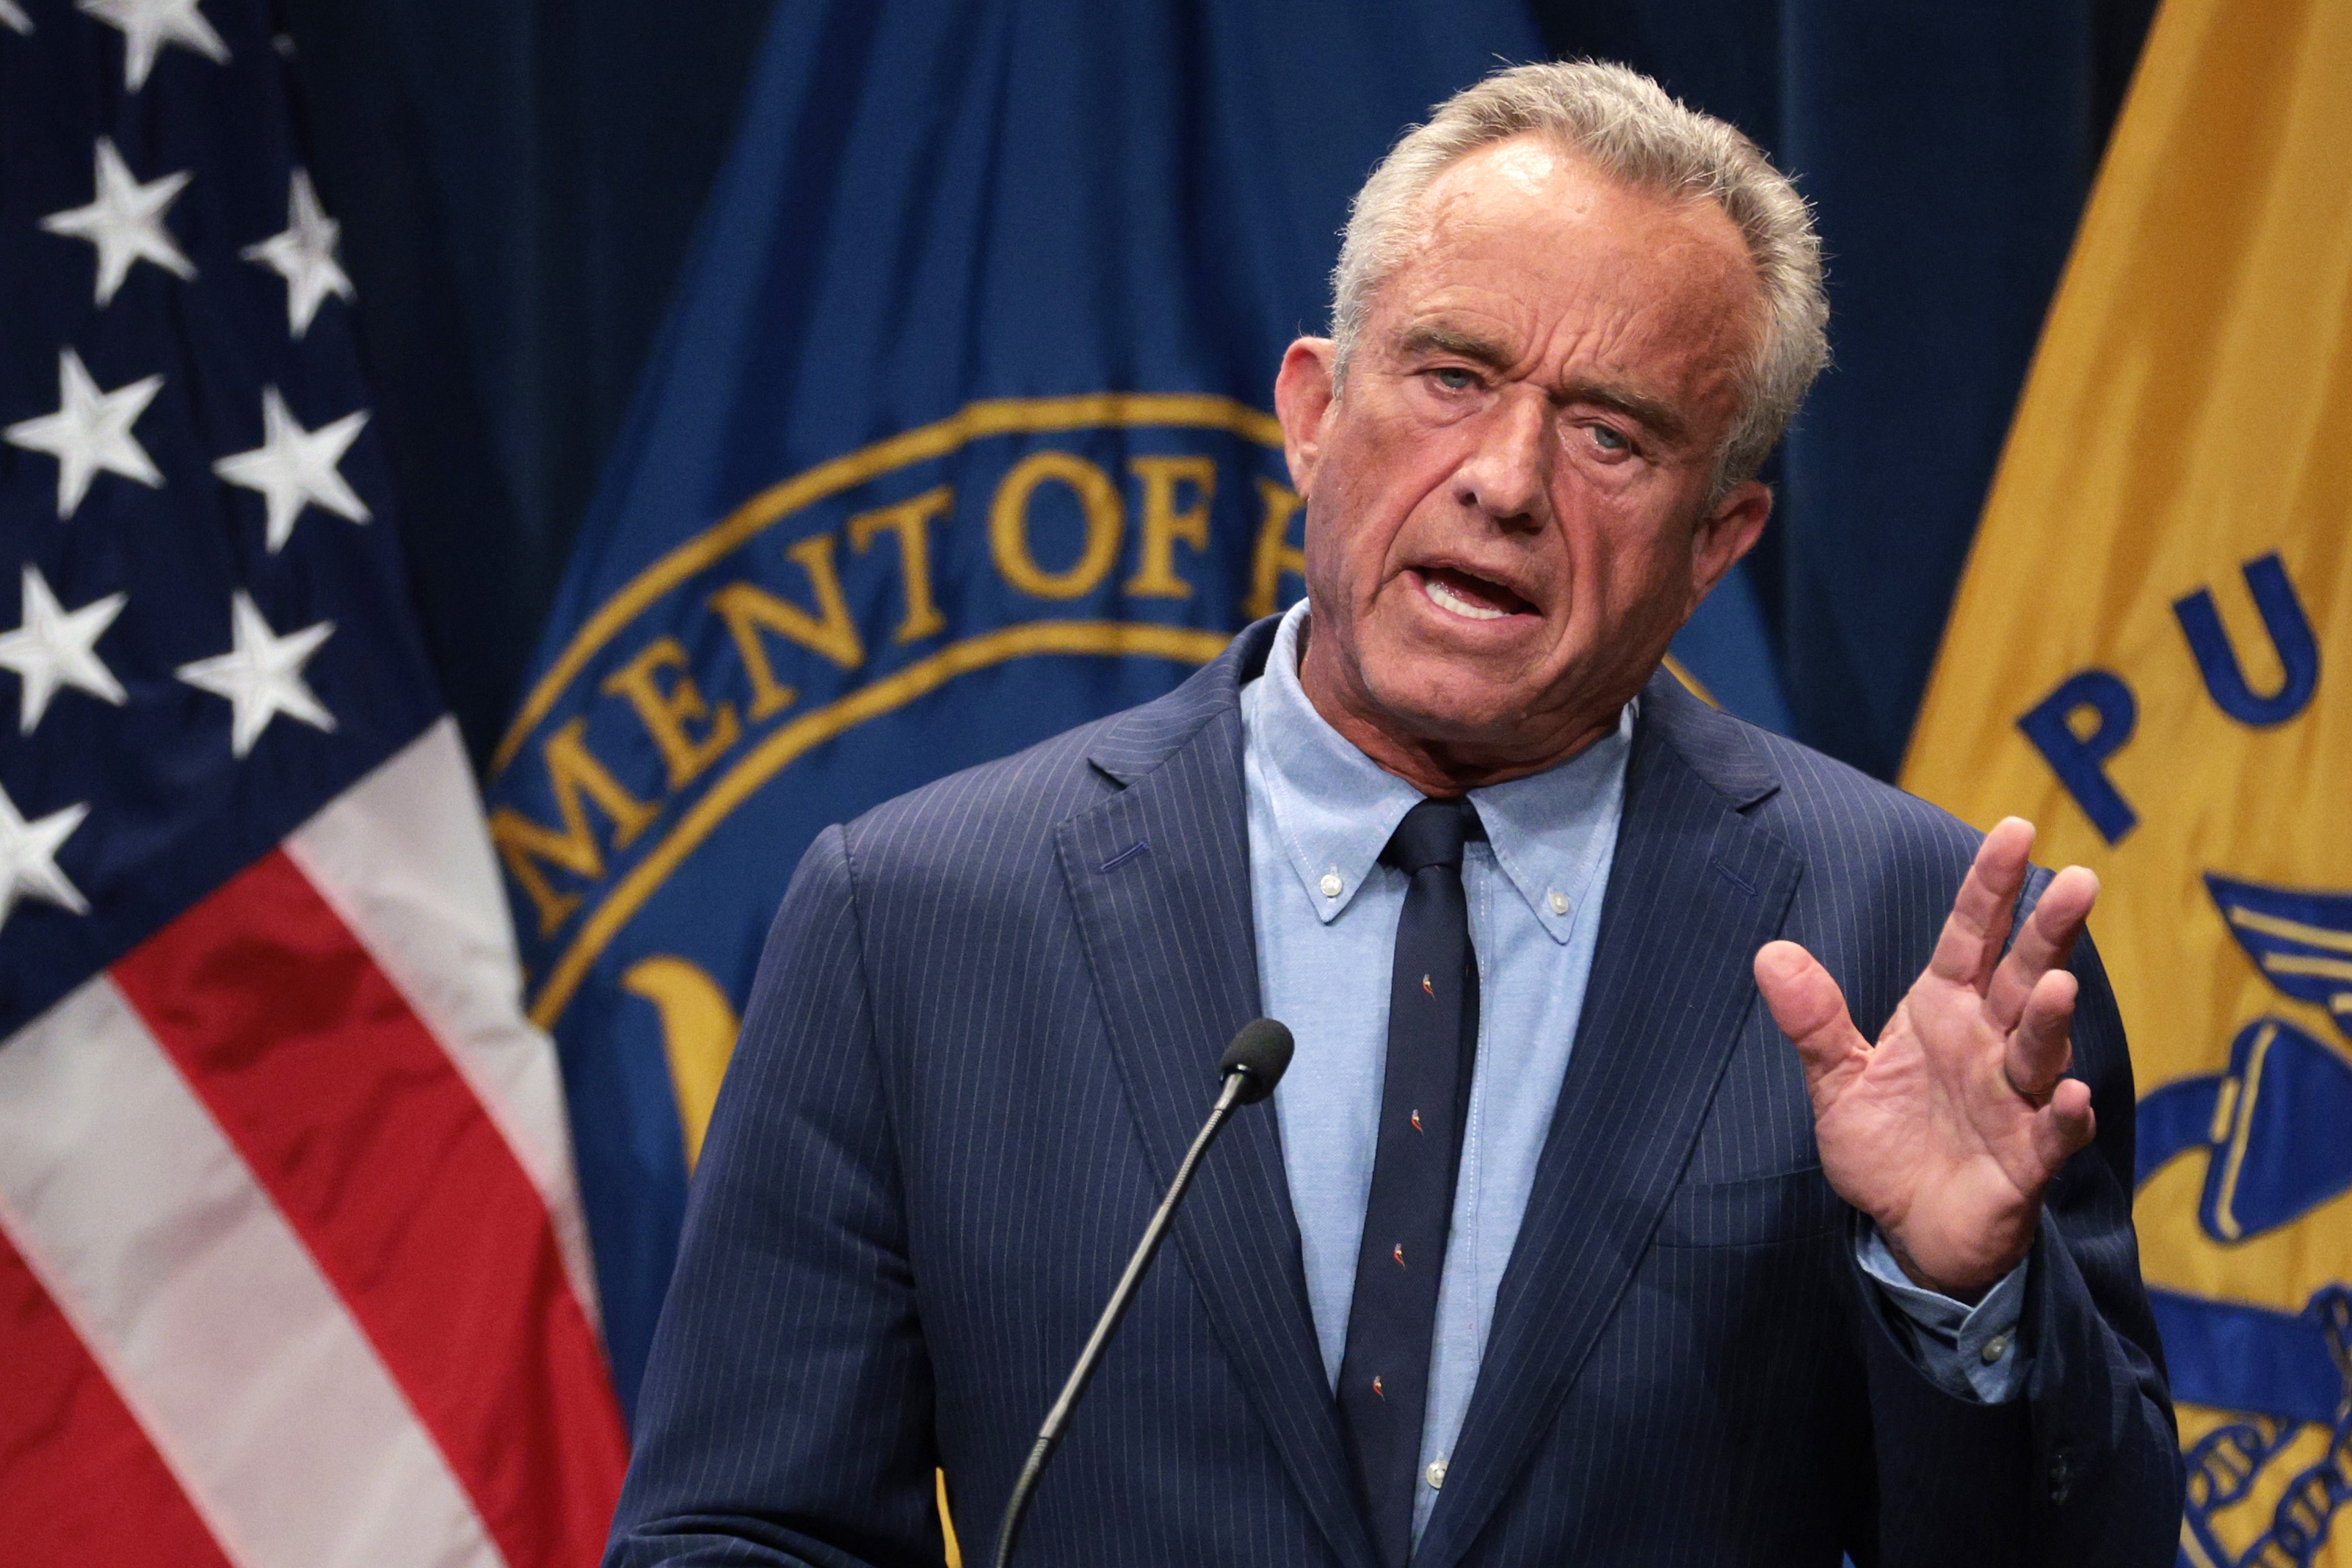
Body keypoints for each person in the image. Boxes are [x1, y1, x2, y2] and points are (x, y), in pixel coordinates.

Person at [606, 61, 2182, 1567]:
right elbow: (746, 1534)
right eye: (1452, 376)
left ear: (1721, 537)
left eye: (1611, 434)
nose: (1504, 478)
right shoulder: (923, 917)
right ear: (1312, 411)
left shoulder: (1907, 942)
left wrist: (1955, 1293)